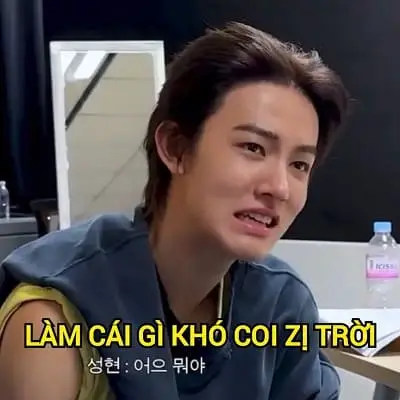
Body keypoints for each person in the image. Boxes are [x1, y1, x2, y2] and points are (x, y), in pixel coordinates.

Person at [0, 22, 349, 400]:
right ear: (175, 148)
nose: (279, 187)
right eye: (253, 147)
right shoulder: (54, 320)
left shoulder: (281, 304)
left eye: (299, 165)